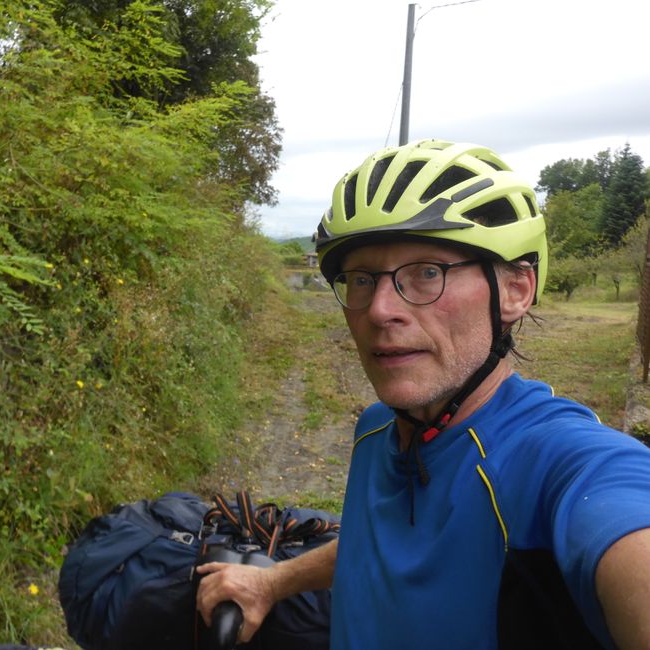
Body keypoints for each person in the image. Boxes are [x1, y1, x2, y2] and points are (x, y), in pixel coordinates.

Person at [196, 139, 650, 649]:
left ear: (517, 290)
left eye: (427, 273)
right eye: (362, 278)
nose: (379, 309)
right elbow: (372, 542)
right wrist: (273, 581)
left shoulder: (558, 462)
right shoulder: (377, 428)